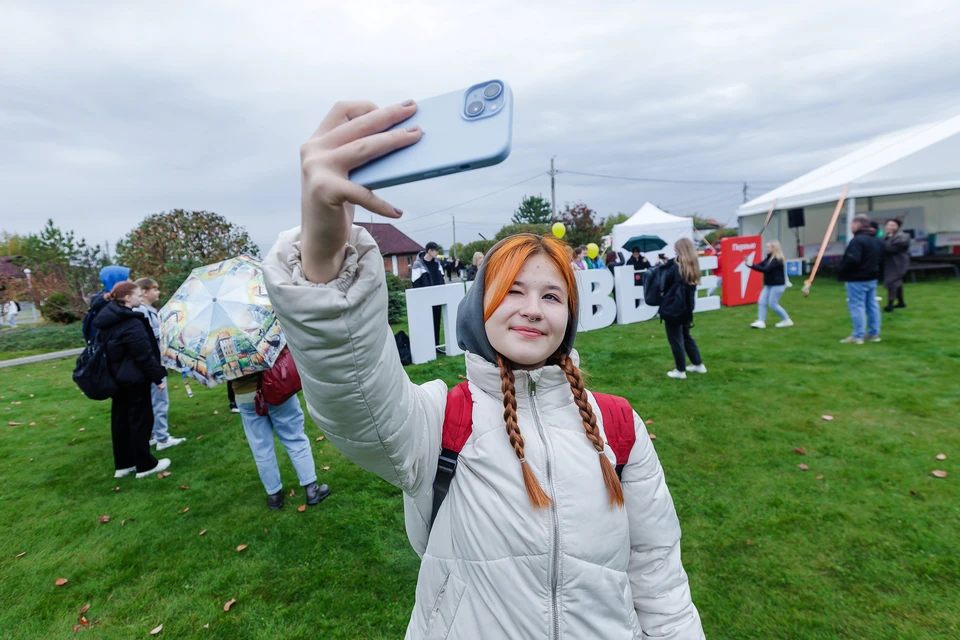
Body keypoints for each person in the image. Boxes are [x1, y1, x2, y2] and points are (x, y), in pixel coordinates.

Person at [261, 99, 704, 640]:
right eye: (512, 290)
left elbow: (657, 573)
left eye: (551, 295)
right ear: (479, 306)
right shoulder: (439, 420)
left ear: (569, 315)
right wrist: (324, 250)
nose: (532, 309)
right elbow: (353, 397)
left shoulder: (619, 426)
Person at [92, 281, 170, 479]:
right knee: (140, 420)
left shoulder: (108, 319)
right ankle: (145, 464)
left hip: (116, 378)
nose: (140, 298)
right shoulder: (131, 323)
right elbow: (143, 355)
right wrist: (158, 377)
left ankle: (124, 464)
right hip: (134, 379)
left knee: (121, 421)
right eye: (137, 294)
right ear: (127, 298)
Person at [231, 370, 330, 510]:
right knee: (295, 438)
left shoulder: (217, 348)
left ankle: (274, 497)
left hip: (244, 394)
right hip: (274, 383)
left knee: (261, 448)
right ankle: (311, 489)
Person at [134, 278, 186, 451]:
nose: (158, 293)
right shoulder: (142, 311)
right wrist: (169, 328)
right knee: (159, 401)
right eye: (154, 289)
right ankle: (162, 438)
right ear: (144, 291)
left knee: (153, 400)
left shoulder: (149, 310)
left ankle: (153, 435)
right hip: (154, 361)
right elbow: (149, 334)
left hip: (155, 360)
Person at [659, 238, 706, 380]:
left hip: (674, 308)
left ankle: (680, 370)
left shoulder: (675, 266)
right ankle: (698, 364)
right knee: (686, 336)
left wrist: (664, 266)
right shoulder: (692, 266)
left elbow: (665, 284)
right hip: (687, 307)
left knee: (676, 339)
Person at [838, 214, 884, 344]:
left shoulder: (858, 240)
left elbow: (852, 259)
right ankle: (874, 333)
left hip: (857, 278)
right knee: (872, 305)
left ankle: (858, 335)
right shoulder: (877, 239)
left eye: (852, 224)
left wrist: (842, 270)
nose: (851, 227)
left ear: (858, 225)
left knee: (857, 306)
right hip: (872, 277)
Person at [748, 241, 794, 329]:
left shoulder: (777, 259)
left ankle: (787, 320)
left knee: (773, 304)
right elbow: (761, 265)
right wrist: (750, 265)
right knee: (761, 302)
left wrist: (752, 266)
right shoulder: (768, 258)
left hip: (777, 285)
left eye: (768, 247)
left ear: (774, 248)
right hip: (769, 285)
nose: (767, 249)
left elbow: (766, 269)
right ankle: (761, 321)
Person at [82, 265, 131, 344]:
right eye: (126, 278)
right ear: (118, 280)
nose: (130, 280)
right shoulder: (107, 303)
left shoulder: (103, 299)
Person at [412, 241, 446, 353]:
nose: (437, 252)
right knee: (426, 323)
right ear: (429, 251)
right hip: (424, 299)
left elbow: (442, 278)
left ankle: (436, 346)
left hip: (437, 297)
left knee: (437, 322)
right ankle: (427, 348)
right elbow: (415, 282)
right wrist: (423, 297)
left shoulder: (437, 263)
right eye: (436, 250)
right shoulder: (418, 264)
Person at [882, 219, 910, 312]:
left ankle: (890, 304)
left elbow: (891, 249)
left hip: (898, 263)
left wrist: (879, 244)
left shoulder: (902, 237)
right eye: (889, 225)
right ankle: (901, 302)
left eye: (893, 225)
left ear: (898, 226)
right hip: (889, 262)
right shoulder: (886, 236)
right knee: (897, 282)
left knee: (892, 282)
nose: (891, 227)